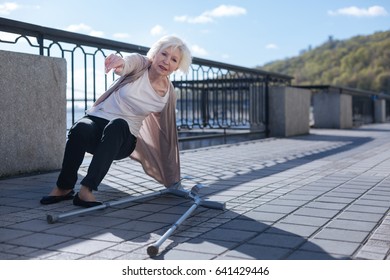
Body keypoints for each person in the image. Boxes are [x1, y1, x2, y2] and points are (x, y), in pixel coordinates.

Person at [40, 35, 192, 208]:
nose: (166, 61)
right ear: (155, 54)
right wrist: (118, 63)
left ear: (177, 66)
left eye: (173, 59)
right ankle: (64, 187)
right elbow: (127, 63)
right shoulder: (141, 64)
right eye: (164, 54)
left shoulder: (168, 94)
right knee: (80, 128)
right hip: (97, 123)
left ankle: (86, 190)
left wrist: (173, 177)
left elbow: (167, 134)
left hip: (123, 138)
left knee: (117, 125)